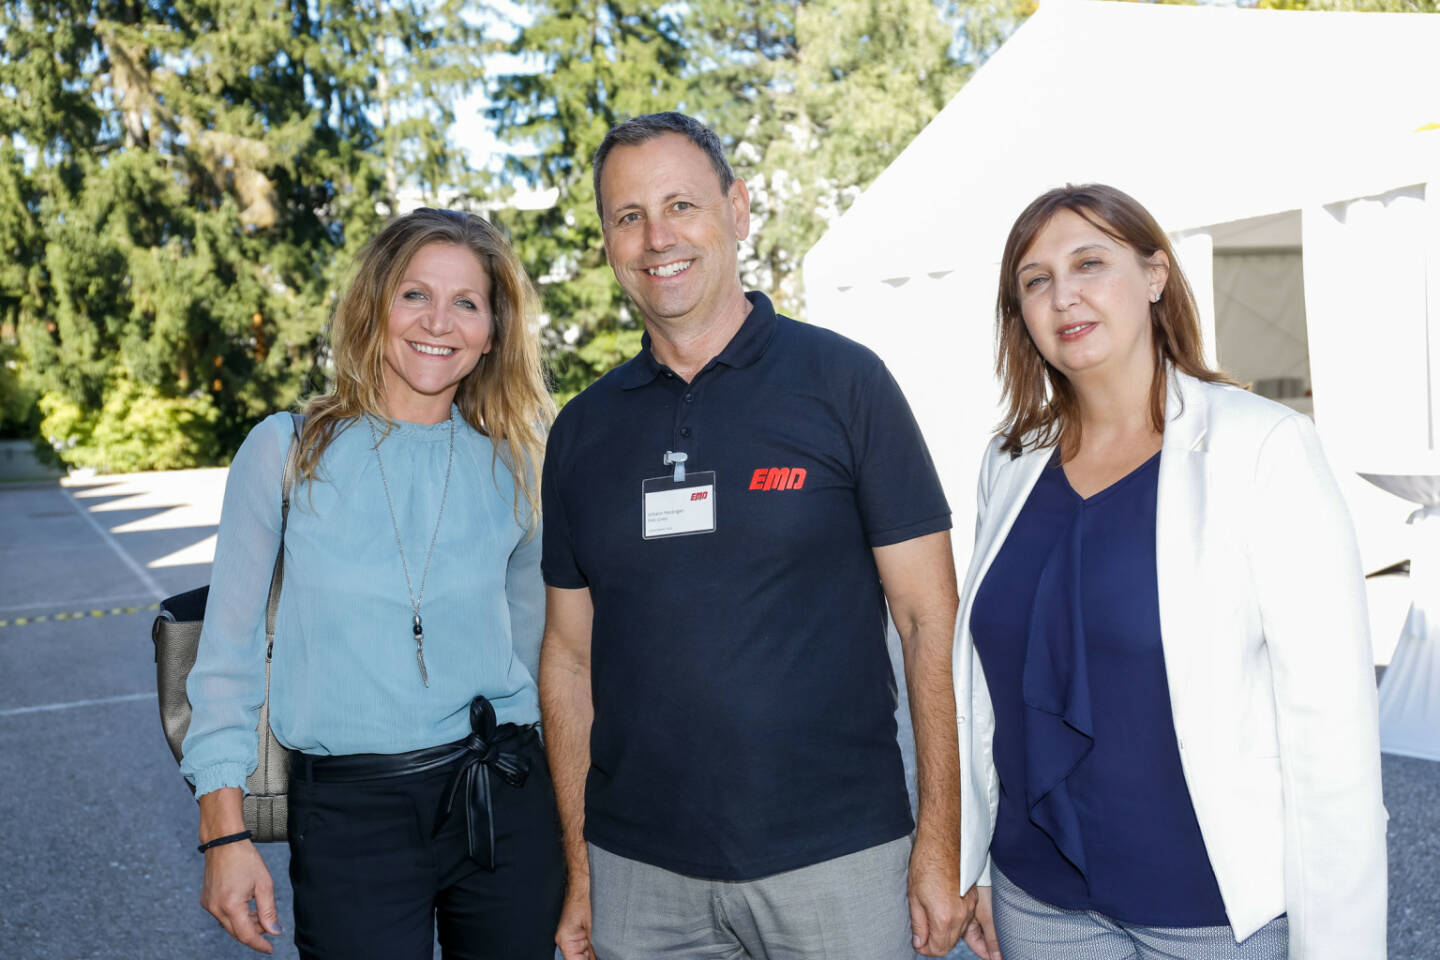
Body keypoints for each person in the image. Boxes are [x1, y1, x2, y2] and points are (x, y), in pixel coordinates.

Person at [539, 111, 975, 960]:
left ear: (737, 211)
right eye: (628, 216)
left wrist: (940, 840)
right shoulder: (583, 432)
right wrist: (583, 868)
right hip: (641, 877)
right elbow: (567, 659)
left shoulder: (846, 383)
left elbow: (931, 621)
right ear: (607, 243)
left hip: (840, 859)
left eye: (681, 205)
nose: (656, 236)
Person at [953, 183, 1388, 960]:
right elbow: (986, 698)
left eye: (1090, 262)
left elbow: (1332, 729)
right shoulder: (1009, 462)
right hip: (1038, 899)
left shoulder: (1263, 448)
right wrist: (975, 865)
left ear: (1154, 276)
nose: (1065, 296)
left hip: (1211, 911)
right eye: (1036, 279)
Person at [180, 209, 563, 958]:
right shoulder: (287, 452)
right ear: (374, 306)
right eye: (415, 294)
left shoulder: (521, 465)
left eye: (467, 303)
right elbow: (224, 659)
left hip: (504, 798)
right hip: (351, 814)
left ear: (493, 331)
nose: (439, 322)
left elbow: (543, 654)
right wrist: (222, 834)